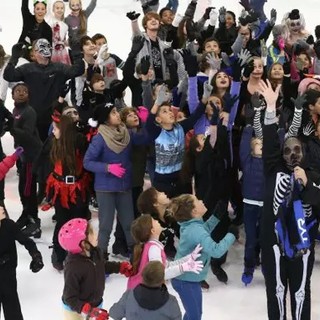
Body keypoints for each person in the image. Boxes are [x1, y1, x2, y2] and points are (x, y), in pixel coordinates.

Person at [259, 79, 320, 319]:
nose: (292, 154)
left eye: (297, 150)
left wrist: (306, 183)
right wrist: (271, 109)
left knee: (300, 292)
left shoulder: (312, 175)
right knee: (275, 291)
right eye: (287, 151)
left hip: (302, 245)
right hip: (273, 242)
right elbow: (271, 143)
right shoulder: (273, 168)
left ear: (304, 154)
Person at [83, 102, 149, 259]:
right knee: (105, 226)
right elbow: (87, 162)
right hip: (105, 188)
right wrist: (108, 168)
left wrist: (145, 122)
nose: (117, 114)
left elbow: (144, 139)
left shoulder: (126, 133)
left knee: (129, 224)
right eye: (113, 113)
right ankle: (101, 258)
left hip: (124, 186)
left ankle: (136, 257)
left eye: (116, 112)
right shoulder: (99, 138)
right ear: (105, 119)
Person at [170, 195, 238, 320]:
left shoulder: (192, 225)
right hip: (185, 280)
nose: (201, 200)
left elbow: (204, 230)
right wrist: (231, 235)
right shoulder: (195, 229)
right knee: (195, 316)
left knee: (195, 313)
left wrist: (216, 217)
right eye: (197, 201)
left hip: (190, 278)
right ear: (194, 211)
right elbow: (215, 251)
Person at [3, 38, 85, 142]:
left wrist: (76, 52)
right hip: (33, 119)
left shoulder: (59, 68)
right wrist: (14, 58)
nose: (44, 50)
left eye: (47, 47)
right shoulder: (28, 68)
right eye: (41, 48)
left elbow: (78, 70)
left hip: (54, 119)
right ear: (34, 52)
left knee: (53, 152)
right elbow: (9, 76)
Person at [59, 218, 133, 320]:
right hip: (76, 312)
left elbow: (100, 265)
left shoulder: (95, 252)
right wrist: (88, 310)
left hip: (95, 305)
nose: (97, 234)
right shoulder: (73, 267)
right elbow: (70, 298)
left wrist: (119, 267)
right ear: (84, 244)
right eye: (92, 233)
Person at [46, 114, 91, 271]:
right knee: (62, 221)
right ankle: (59, 253)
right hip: (60, 189)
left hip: (78, 188)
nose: (53, 131)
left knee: (79, 221)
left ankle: (79, 252)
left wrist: (81, 125)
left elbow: (88, 141)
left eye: (56, 128)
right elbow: (42, 161)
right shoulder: (53, 143)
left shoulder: (78, 140)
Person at [128, 214, 203, 289]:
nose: (157, 221)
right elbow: (159, 274)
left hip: (141, 291)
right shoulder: (153, 249)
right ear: (153, 230)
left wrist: (189, 257)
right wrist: (183, 268)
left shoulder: (151, 246)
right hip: (142, 293)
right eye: (154, 221)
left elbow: (167, 266)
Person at [10, 82, 43, 238]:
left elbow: (28, 135)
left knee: (28, 189)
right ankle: (26, 214)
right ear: (13, 95)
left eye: (24, 91)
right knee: (22, 188)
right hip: (22, 155)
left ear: (29, 95)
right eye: (18, 90)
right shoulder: (15, 110)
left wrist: (11, 128)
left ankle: (34, 221)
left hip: (31, 156)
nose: (21, 93)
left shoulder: (29, 112)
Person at [0, 205, 44, 320]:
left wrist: (36, 256)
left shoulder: (8, 225)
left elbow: (27, 241)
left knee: (11, 305)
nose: (2, 208)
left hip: (7, 272)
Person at [110, 261, 182, 320]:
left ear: (142, 276)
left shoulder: (129, 295)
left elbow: (114, 313)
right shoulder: (171, 302)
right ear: (162, 280)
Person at [46, 0, 71, 64]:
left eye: (62, 8)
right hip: (51, 50)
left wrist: (67, 43)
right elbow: (48, 3)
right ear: (53, 9)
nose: (60, 10)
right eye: (57, 8)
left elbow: (64, 40)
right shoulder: (50, 19)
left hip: (62, 52)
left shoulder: (65, 25)